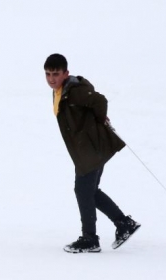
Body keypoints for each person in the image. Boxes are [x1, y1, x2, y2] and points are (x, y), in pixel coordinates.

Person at [44, 53, 141, 253]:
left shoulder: (75, 91)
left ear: (65, 73)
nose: (51, 78)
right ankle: (123, 224)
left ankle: (90, 238)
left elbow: (99, 101)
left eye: (55, 74)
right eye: (47, 74)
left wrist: (99, 121)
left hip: (91, 149)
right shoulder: (60, 91)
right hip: (86, 148)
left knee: (83, 190)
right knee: (89, 191)